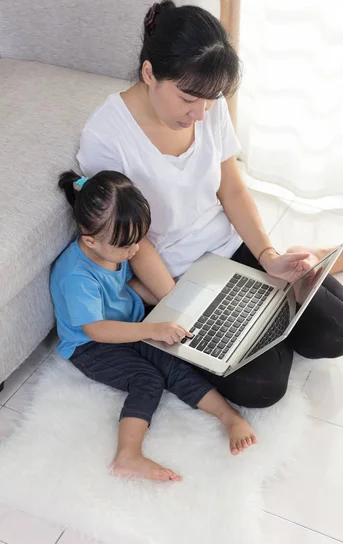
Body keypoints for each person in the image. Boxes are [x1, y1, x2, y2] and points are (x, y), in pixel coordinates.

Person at [77, 0, 343, 410]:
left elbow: (231, 190)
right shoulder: (106, 137)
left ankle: (286, 272)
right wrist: (184, 306)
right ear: (149, 73)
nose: (200, 113)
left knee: (339, 333)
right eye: (188, 99)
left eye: (210, 100)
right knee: (264, 387)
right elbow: (134, 242)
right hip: (174, 276)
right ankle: (278, 295)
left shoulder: (208, 103)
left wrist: (266, 256)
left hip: (229, 248)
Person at [51, 170, 258, 482]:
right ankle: (128, 455)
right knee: (147, 379)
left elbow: (121, 285)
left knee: (170, 360)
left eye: (138, 240)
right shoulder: (76, 276)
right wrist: (151, 329)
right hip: (89, 344)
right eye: (126, 246)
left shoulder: (112, 248)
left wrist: (168, 304)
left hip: (124, 321)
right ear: (90, 239)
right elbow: (97, 330)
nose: (134, 251)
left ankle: (229, 417)